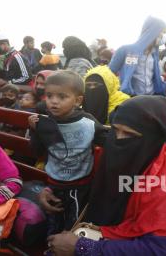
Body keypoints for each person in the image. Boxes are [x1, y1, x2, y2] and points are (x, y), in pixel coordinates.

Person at [44, 96, 166, 256]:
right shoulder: (107, 154)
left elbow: (163, 250)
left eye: (129, 134)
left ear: (154, 137)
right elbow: (77, 177)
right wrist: (51, 190)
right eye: (114, 130)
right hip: (92, 233)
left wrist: (82, 247)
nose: (118, 140)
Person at [28, 70, 107, 235]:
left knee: (73, 224)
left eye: (62, 97)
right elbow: (38, 153)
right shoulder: (44, 122)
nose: (54, 102)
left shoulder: (88, 122)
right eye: (49, 96)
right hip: (53, 183)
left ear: (77, 100)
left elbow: (107, 141)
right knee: (53, 220)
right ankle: (52, 244)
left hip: (80, 185)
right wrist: (34, 131)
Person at [109, 16, 166, 96]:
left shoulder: (154, 56)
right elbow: (110, 73)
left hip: (151, 97)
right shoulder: (125, 50)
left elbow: (154, 77)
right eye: (162, 32)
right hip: (131, 98)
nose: (163, 37)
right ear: (152, 32)